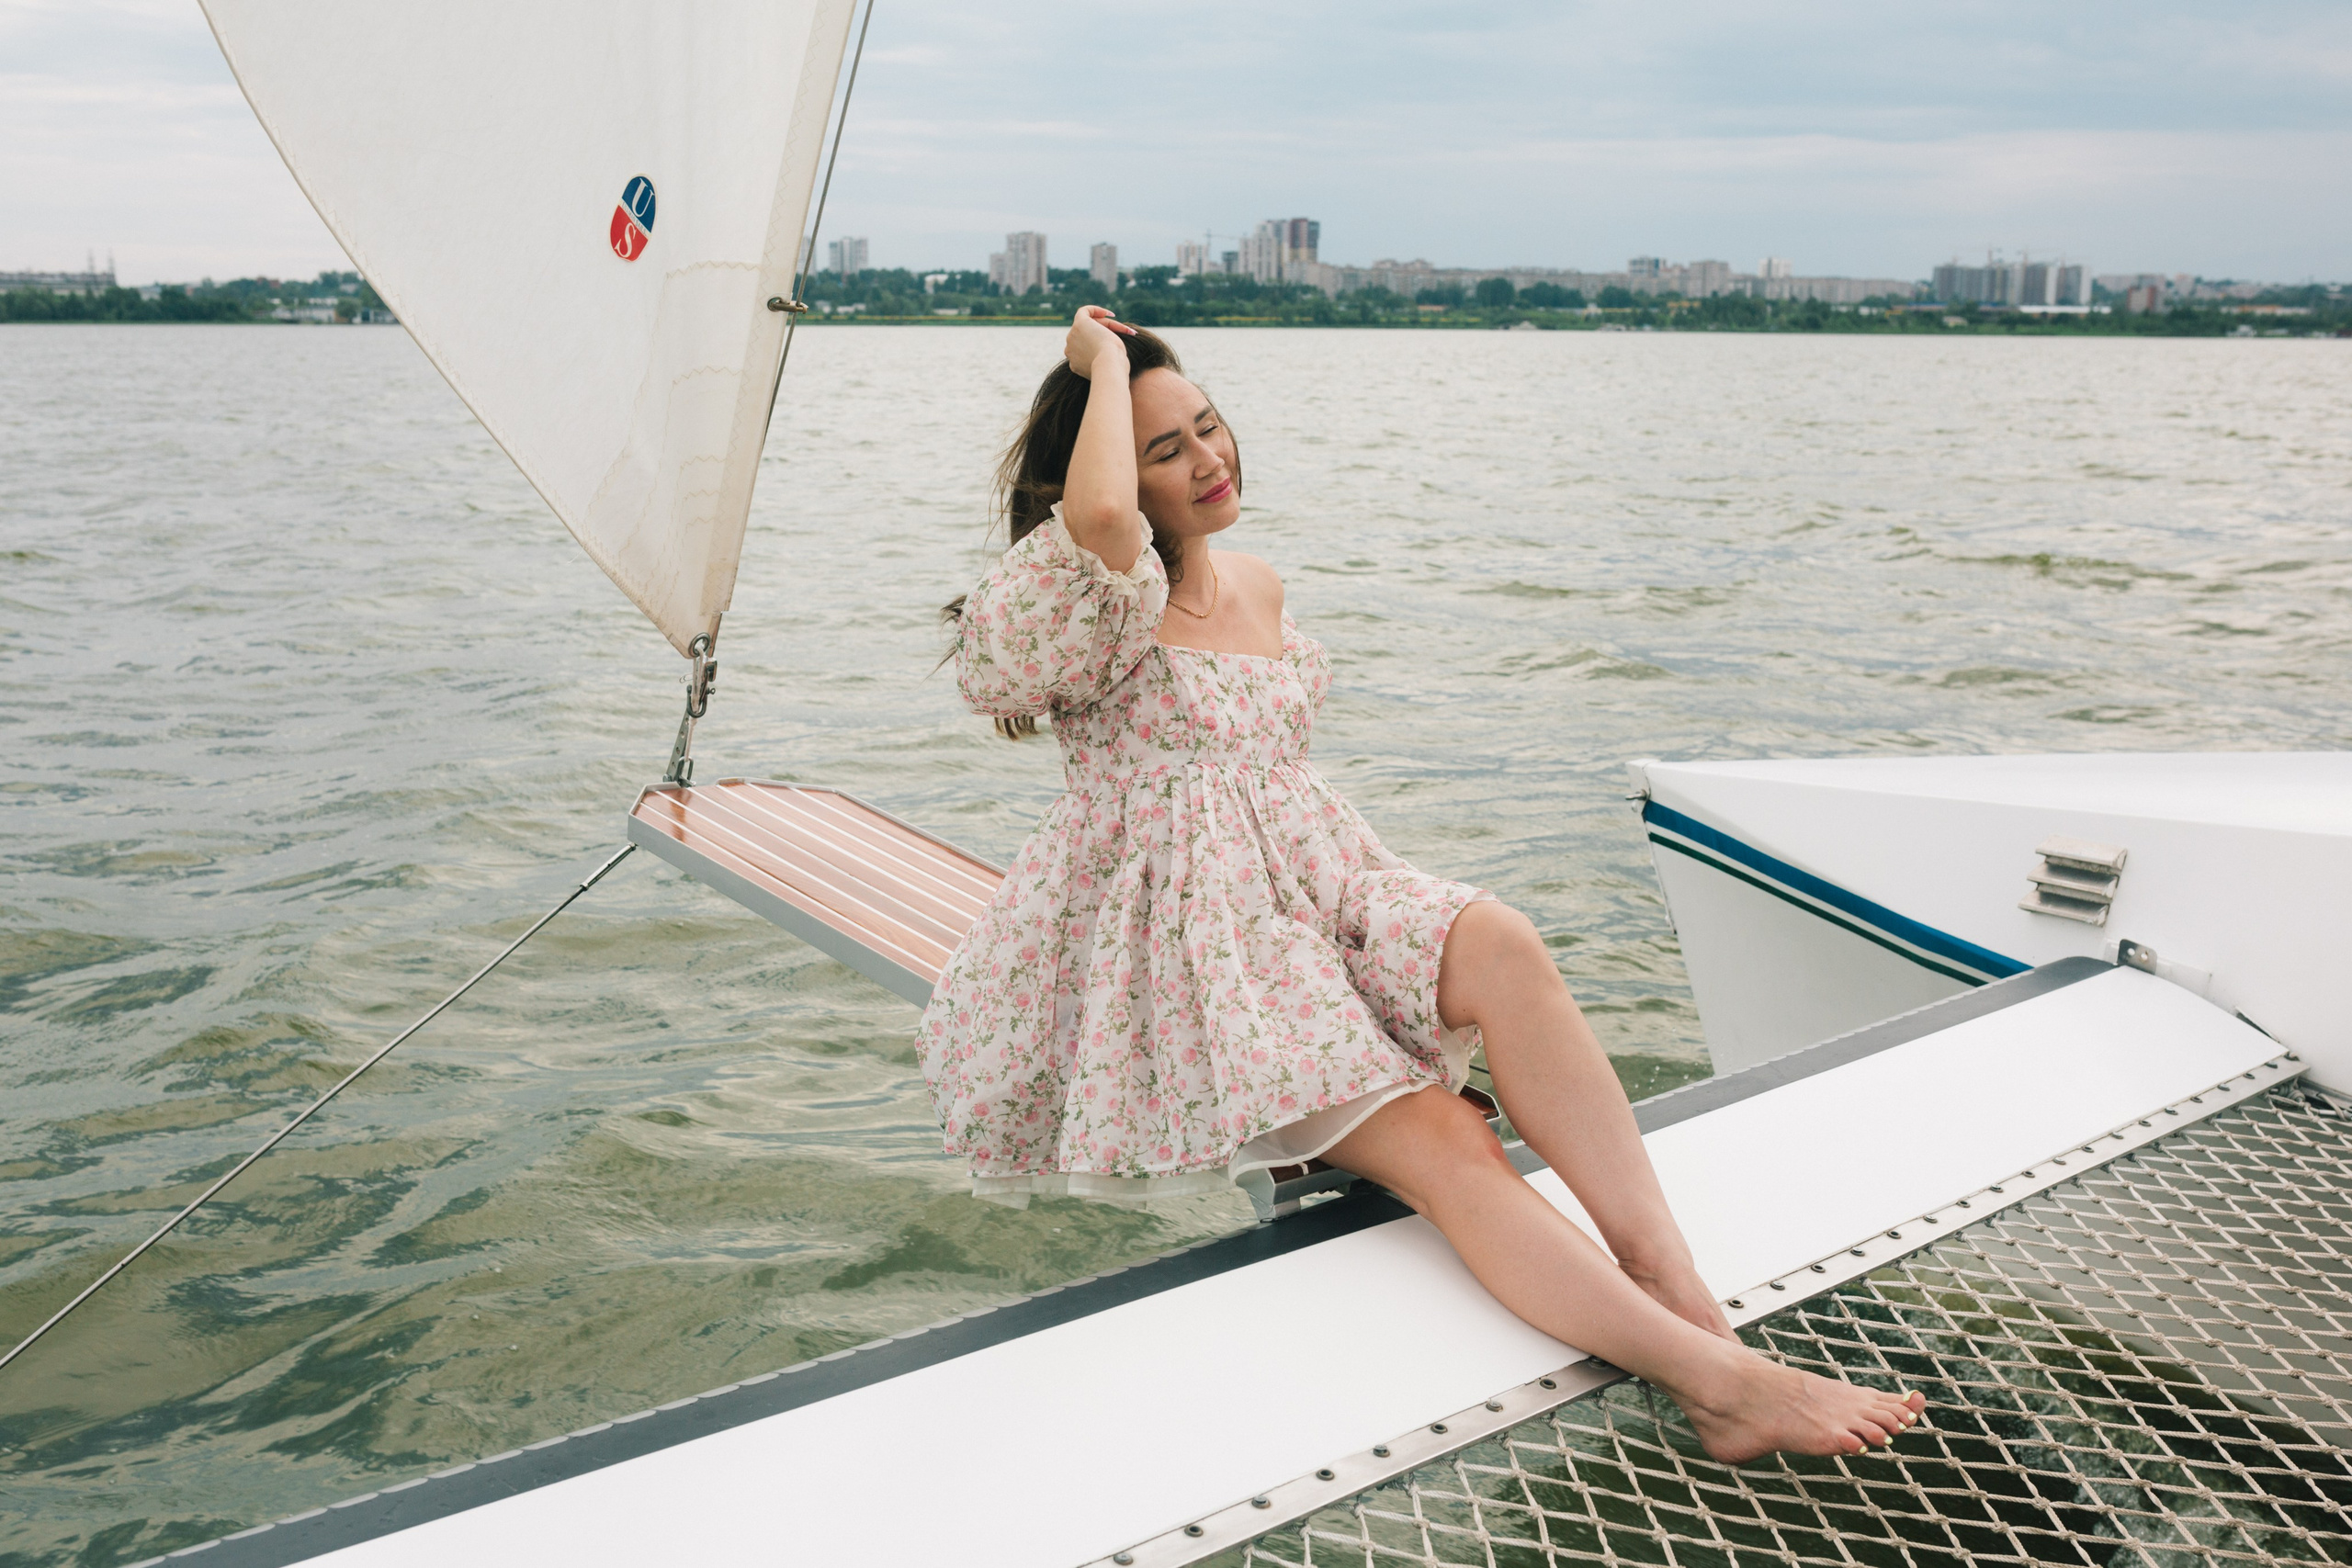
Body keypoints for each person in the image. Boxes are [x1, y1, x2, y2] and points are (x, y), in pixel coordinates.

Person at [920, 307, 1924, 1462]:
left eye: (1208, 428)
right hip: (1199, 954)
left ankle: (1663, 1269)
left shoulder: (1256, 583)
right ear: (1114, 473)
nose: (1208, 461)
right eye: (1164, 450)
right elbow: (1093, 516)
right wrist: (1100, 359)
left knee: (1499, 940)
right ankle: (1719, 1384)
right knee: (1448, 1143)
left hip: (1314, 892)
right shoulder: (1101, 597)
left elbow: (1272, 797)